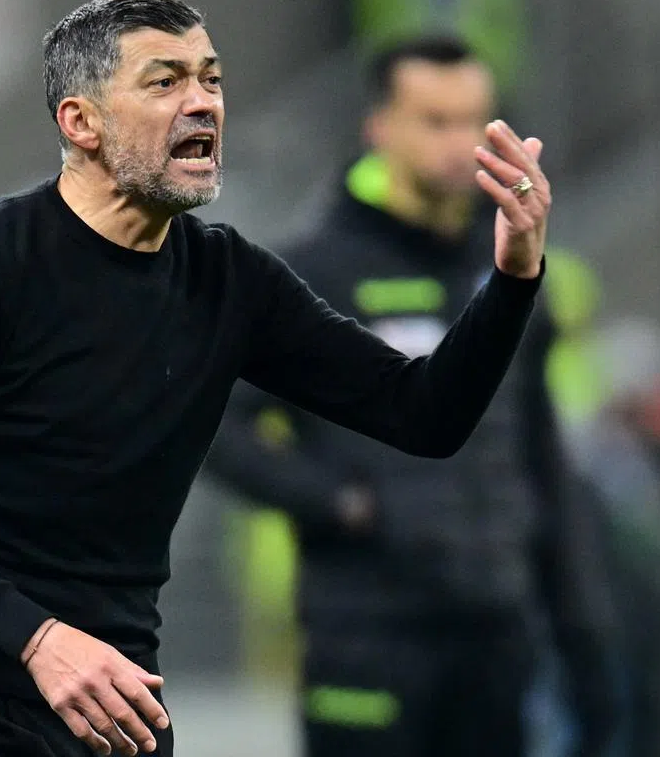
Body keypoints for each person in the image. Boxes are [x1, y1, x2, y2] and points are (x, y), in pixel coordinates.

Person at [0, 0, 556, 756]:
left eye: (210, 78)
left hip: (118, 705)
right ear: (81, 123)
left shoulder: (227, 280)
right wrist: (37, 638)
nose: (202, 101)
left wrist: (512, 280)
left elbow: (425, 415)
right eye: (165, 81)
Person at [204, 37, 618, 757]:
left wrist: (584, 629)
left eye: (473, 121)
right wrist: (340, 503)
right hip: (367, 639)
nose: (459, 144)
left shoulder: (510, 271)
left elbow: (540, 455)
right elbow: (215, 420)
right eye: (434, 120)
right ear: (379, 126)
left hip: (497, 636)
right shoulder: (312, 273)